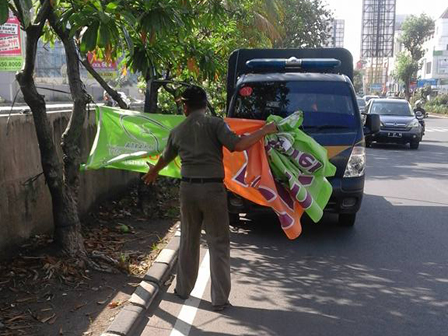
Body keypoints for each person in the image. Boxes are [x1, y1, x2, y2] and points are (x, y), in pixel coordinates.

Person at [142, 86, 277, 311]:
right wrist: (265, 129)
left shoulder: (177, 131)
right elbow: (238, 145)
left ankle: (183, 290)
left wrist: (154, 171)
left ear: (185, 107)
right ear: (205, 105)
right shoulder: (215, 124)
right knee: (219, 244)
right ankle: (219, 300)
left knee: (188, 240)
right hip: (213, 191)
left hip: (188, 191)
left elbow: (166, 157)